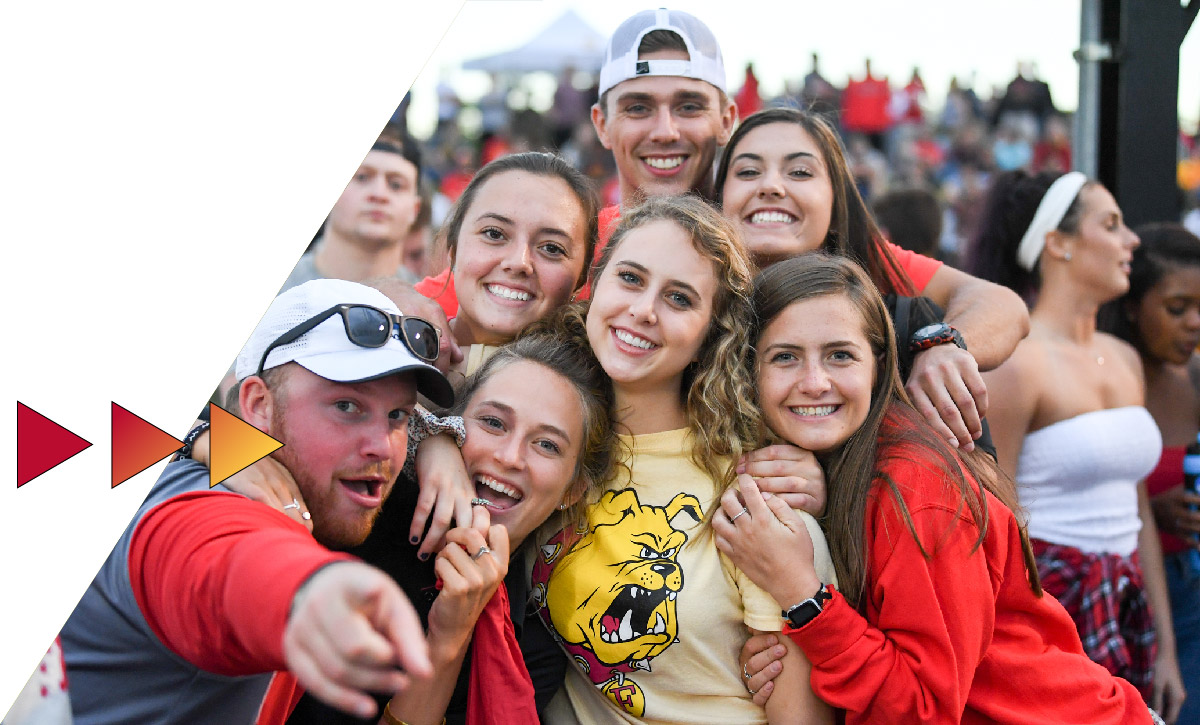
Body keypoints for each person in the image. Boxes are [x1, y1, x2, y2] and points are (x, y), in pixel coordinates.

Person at [719, 253, 1163, 724]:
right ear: (749, 370)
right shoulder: (843, 465)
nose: (814, 382)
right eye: (785, 356)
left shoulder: (917, 488)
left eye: (840, 355)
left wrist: (803, 596)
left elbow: (921, 712)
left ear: (879, 364)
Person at [58, 279, 455, 724]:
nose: (383, 445)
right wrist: (306, 593)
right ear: (257, 405)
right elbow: (224, 556)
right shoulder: (212, 502)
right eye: (346, 406)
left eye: (397, 415)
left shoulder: (180, 456)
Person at [532, 195, 834, 724]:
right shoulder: (538, 431)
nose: (643, 310)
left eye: (679, 298)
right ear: (594, 286)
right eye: (629, 278)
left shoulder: (752, 495)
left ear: (708, 338)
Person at [273, 319, 618, 724]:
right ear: (451, 426)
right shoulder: (367, 497)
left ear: (572, 491)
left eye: (546, 445)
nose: (510, 457)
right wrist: (218, 448)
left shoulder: (529, 651)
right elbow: (209, 431)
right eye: (493, 422)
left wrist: (449, 639)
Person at [966, 170, 1185, 721]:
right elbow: (996, 520)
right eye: (1111, 224)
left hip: (1129, 604)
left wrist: (1165, 649)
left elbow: (1137, 515)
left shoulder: (1126, 356)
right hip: (1054, 605)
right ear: (1056, 243)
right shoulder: (1015, 361)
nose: (1131, 240)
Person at [714, 107, 1031, 454]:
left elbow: (1004, 306)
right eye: (748, 171)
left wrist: (942, 346)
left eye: (800, 172)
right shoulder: (685, 299)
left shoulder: (874, 266)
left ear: (837, 202)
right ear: (720, 198)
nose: (771, 186)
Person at [418, 8, 737, 310]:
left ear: (726, 121)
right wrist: (398, 302)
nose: (665, 131)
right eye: (638, 108)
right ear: (601, 124)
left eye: (690, 107)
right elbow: (425, 303)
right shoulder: (564, 246)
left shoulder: (755, 244)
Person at [1103, 223, 1200, 723]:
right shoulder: (1111, 382)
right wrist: (1154, 513)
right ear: (1133, 306)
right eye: (1177, 309)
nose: (1194, 324)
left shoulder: (1198, 379)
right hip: (1141, 606)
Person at [280, 131, 424, 292]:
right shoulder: (280, 294)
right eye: (362, 177)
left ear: (415, 209)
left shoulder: (428, 308)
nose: (379, 194)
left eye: (396, 185)